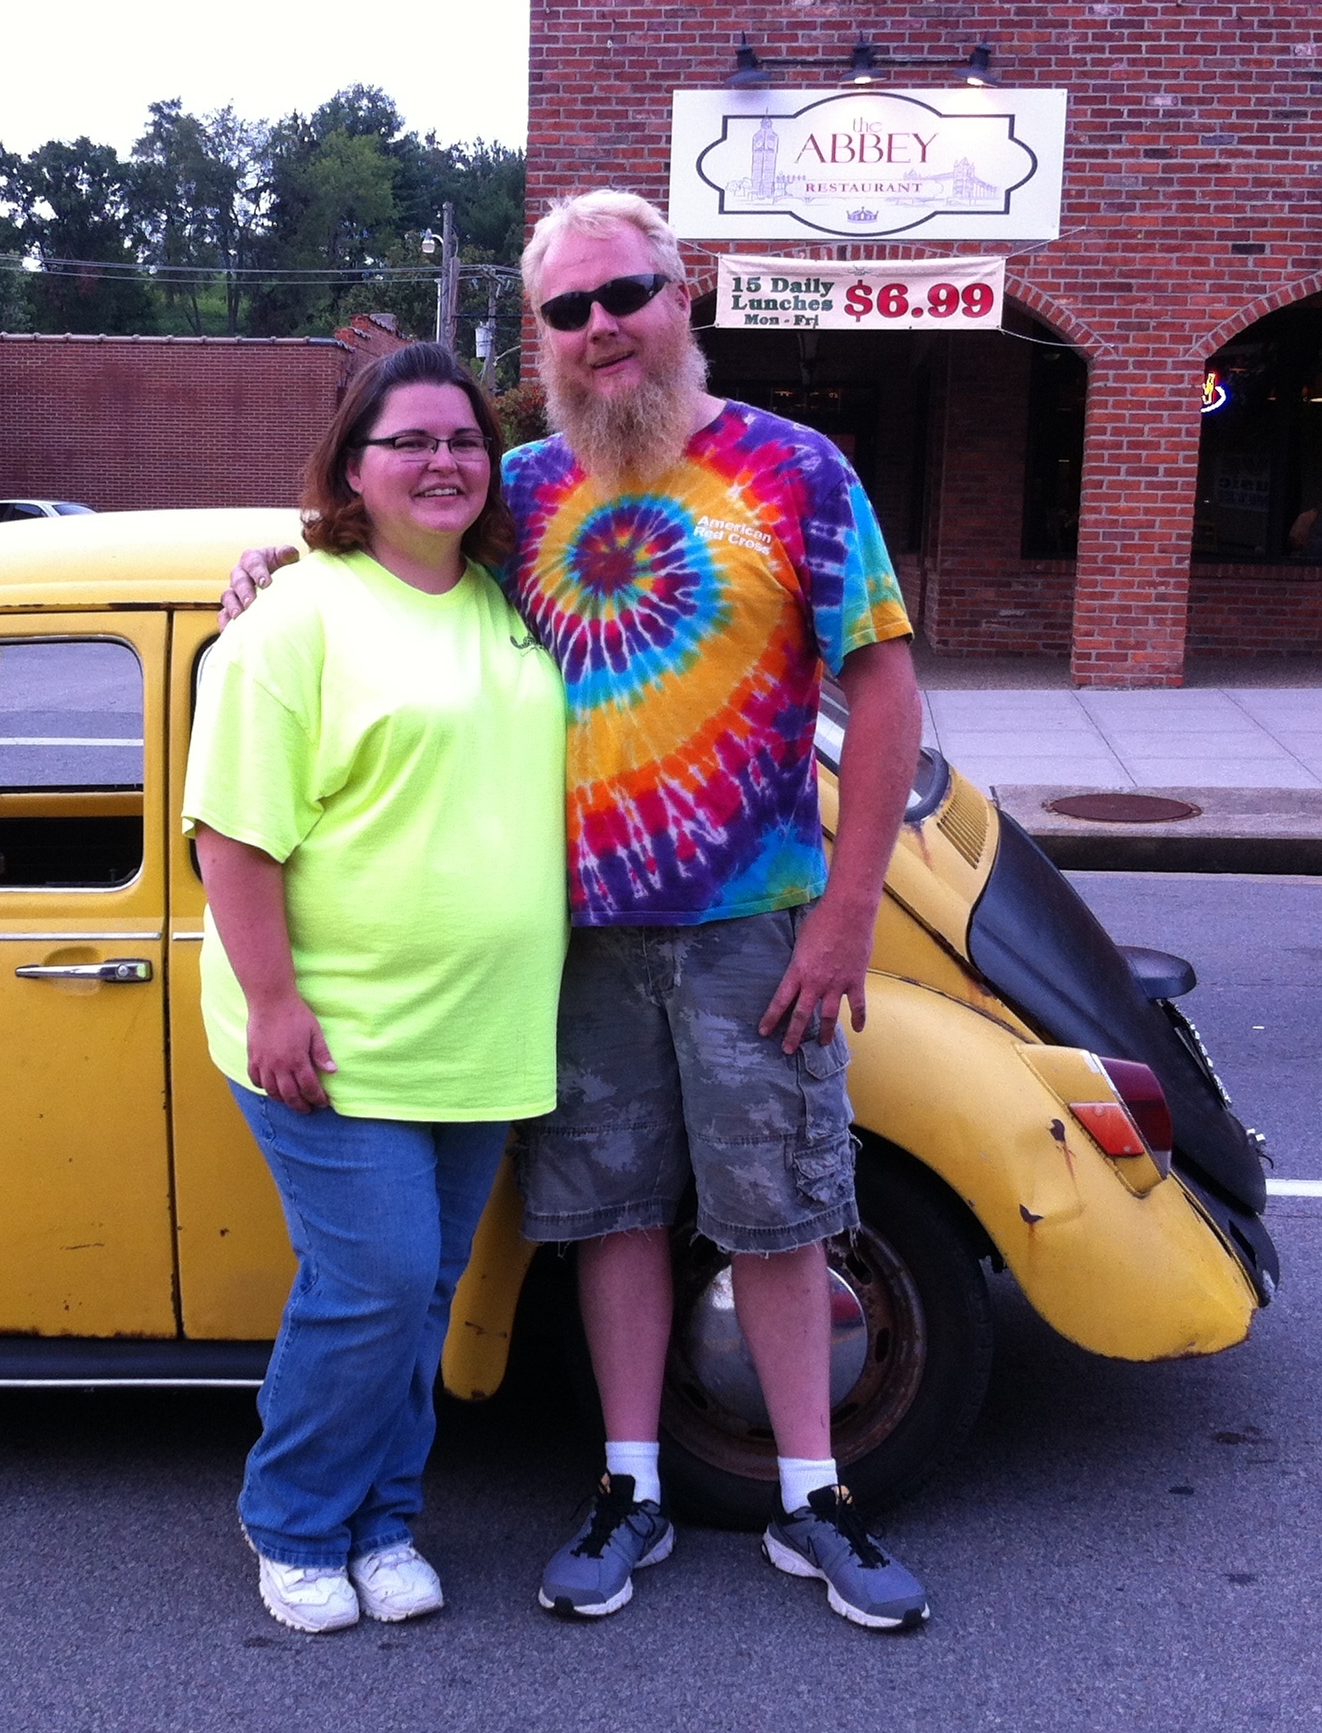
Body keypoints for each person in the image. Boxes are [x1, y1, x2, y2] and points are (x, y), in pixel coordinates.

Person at [223, 190, 930, 1632]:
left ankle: (813, 1497)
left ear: (687, 296)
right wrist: (265, 566)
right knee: (607, 1215)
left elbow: (885, 689)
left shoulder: (800, 471)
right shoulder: (520, 490)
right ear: (537, 336)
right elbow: (381, 568)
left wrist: (850, 915)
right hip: (575, 942)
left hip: (757, 931)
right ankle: (630, 1487)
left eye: (628, 295)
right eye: (568, 310)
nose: (602, 328)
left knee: (779, 1217)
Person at [186, 342, 568, 1635]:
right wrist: (277, 1002)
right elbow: (231, 835)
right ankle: (295, 1523)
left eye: (462, 439)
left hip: (480, 1032)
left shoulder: (510, 604)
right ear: (352, 468)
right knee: (374, 1280)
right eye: (409, 440)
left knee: (423, 1286)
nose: (443, 460)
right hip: (333, 1033)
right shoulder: (296, 619)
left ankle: (384, 1518)